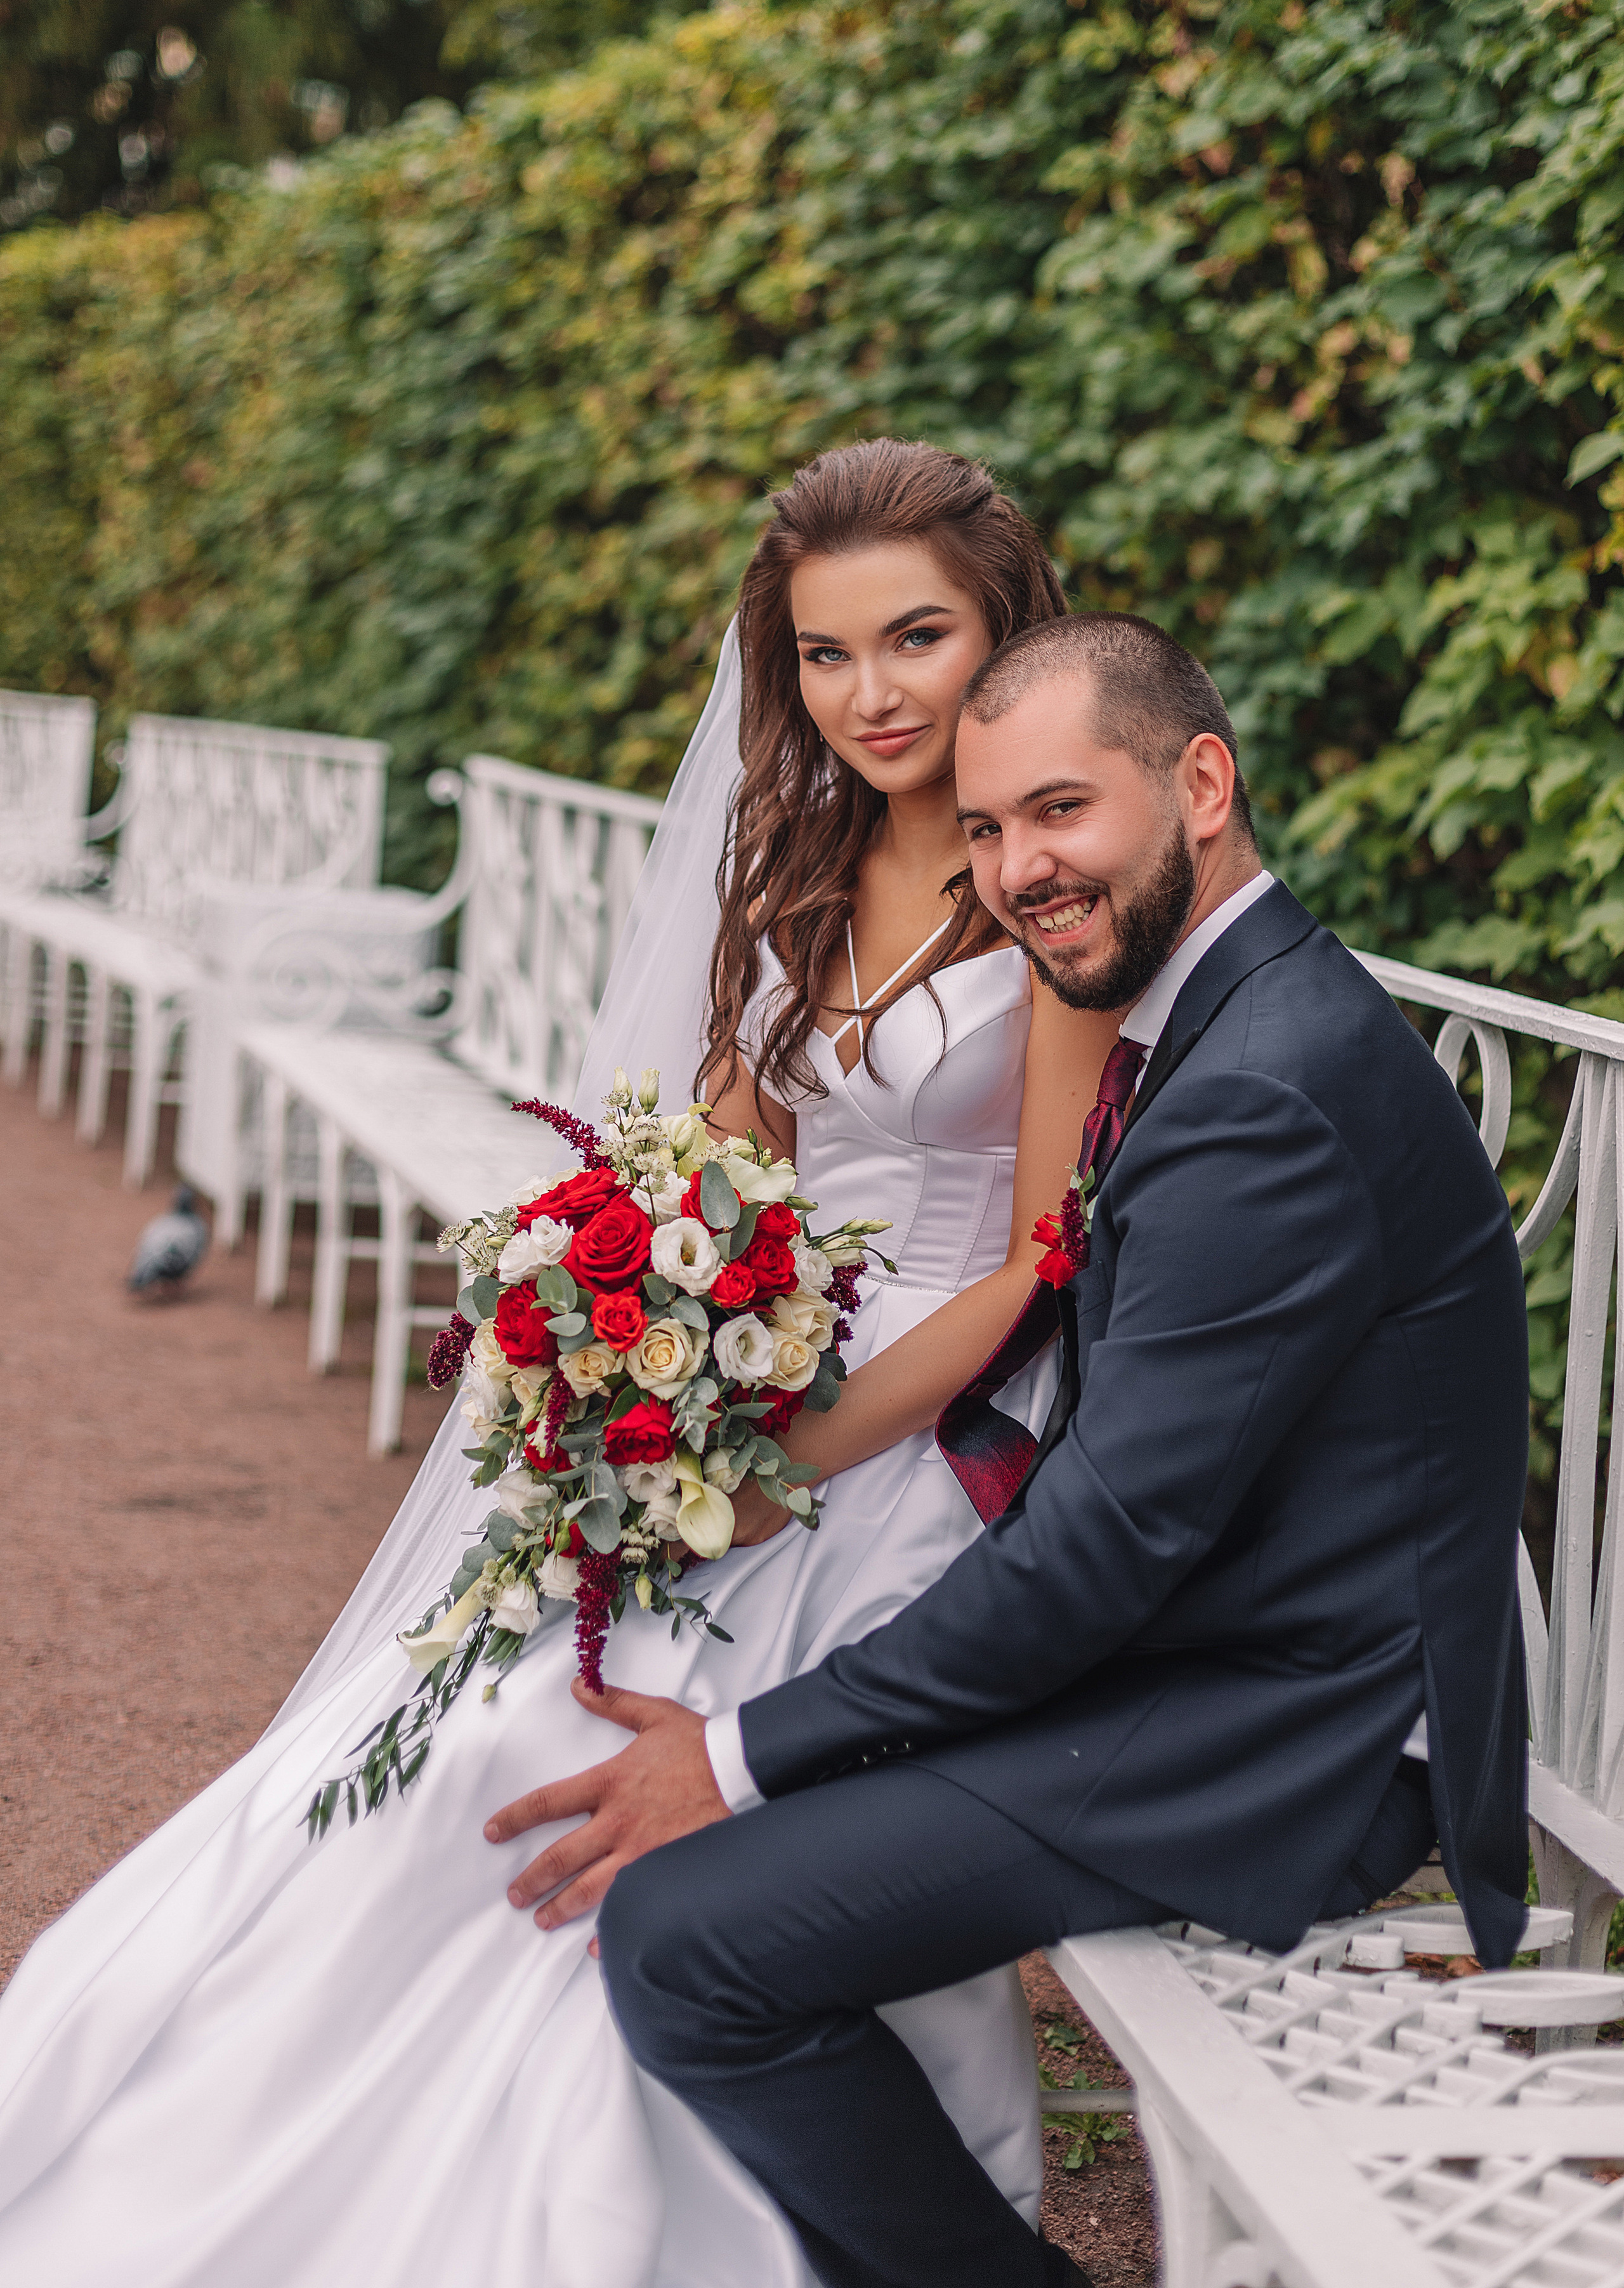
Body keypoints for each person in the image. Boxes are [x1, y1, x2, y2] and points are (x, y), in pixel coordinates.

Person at [0, 442, 1121, 2287]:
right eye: (828, 658)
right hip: (748, 1403)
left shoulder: (1045, 883)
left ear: (1006, 622)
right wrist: (637, 1363)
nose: (875, 695)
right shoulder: (799, 865)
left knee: (585, 1746)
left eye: (918, 637)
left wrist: (800, 1451)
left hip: (937, 1422)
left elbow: (1032, 1258)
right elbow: (714, 1175)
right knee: (455, 1732)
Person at [483, 608, 1531, 2288]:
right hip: (1217, 1657)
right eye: (984, 829)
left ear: (1201, 783)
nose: (1018, 867)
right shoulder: (1228, 1012)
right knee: (771, 1765)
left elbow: (1108, 1543)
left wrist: (739, 1754)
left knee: (690, 1938)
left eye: (1062, 811)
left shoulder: (1265, 1084)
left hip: (1288, 1742)